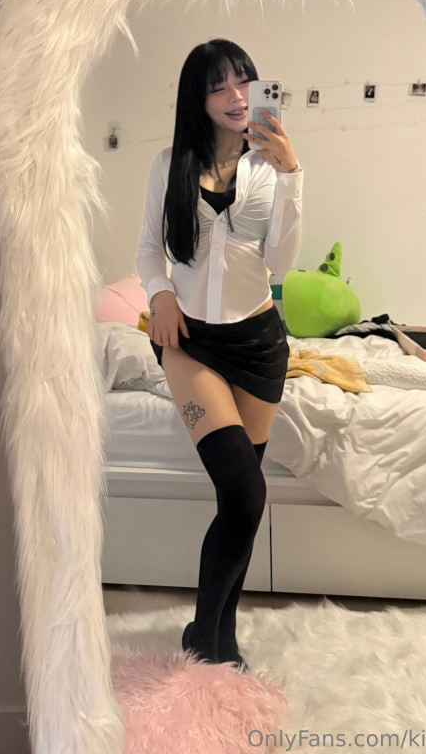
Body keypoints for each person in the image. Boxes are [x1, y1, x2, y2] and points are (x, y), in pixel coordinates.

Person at [136, 38, 303, 670]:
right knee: (243, 489)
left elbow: (281, 261)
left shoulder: (270, 167)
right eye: (218, 86)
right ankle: (208, 639)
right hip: (190, 342)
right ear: (197, 99)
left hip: (258, 345)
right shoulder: (168, 165)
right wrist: (160, 296)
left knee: (239, 501)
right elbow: (149, 249)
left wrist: (291, 176)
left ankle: (214, 636)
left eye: (243, 82)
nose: (235, 96)